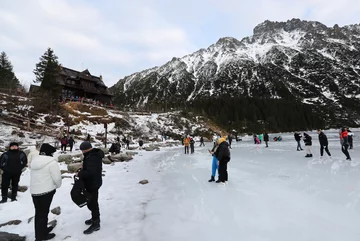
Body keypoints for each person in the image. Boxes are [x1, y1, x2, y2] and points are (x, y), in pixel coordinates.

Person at [30, 143, 61, 241]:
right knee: (43, 213)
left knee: (38, 213)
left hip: (35, 192)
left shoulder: (34, 161)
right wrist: (57, 185)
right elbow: (57, 178)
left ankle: (41, 231)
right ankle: (41, 237)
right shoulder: (52, 162)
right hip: (47, 191)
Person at [77, 141, 104, 235]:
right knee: (91, 202)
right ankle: (94, 218)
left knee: (93, 202)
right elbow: (88, 169)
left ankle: (96, 222)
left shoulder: (93, 157)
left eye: (82, 150)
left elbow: (91, 172)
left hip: (93, 183)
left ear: (85, 150)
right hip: (92, 182)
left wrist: (80, 173)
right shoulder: (91, 155)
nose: (82, 152)